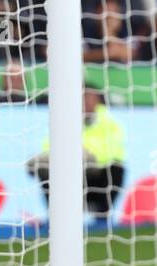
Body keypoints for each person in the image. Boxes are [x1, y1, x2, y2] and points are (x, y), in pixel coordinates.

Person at [26, 84, 125, 221]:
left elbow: (112, 151)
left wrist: (84, 154)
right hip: (68, 173)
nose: (86, 102)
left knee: (116, 168)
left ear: (98, 100)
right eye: (83, 97)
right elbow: (48, 146)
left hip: (97, 174)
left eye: (90, 98)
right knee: (45, 167)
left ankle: (101, 217)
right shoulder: (63, 121)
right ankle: (55, 217)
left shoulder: (109, 122)